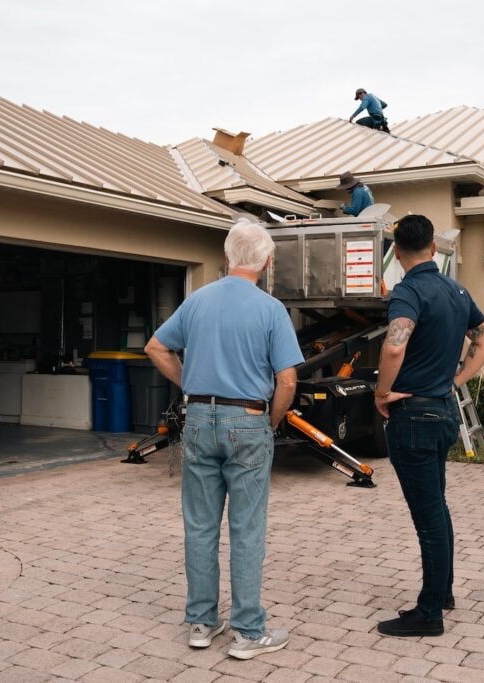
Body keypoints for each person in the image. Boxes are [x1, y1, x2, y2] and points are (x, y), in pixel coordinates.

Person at [144, 219, 303, 660]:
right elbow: (287, 381)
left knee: (199, 524)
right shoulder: (270, 309)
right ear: (267, 262)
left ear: (227, 257)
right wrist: (269, 424)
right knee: (246, 528)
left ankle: (200, 622)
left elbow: (156, 347)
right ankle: (249, 632)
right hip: (249, 418)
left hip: (197, 417)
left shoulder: (196, 301)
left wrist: (189, 385)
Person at [372, 214, 484, 638]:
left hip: (414, 419)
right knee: (437, 509)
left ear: (396, 249)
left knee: (428, 517)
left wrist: (381, 394)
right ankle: (442, 592)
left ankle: (429, 615)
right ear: (433, 248)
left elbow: (393, 348)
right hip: (444, 412)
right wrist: (456, 381)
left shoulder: (408, 292)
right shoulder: (456, 290)